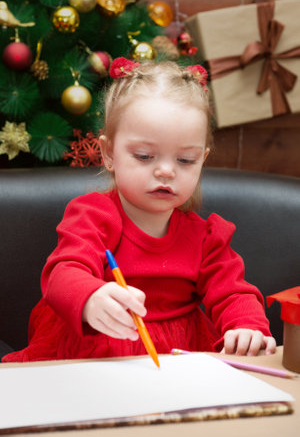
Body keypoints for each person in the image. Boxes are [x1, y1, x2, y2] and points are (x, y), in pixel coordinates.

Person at [2, 58, 276, 362]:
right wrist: (91, 297)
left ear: (202, 159)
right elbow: (63, 273)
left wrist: (247, 326)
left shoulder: (206, 236)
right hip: (98, 349)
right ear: (108, 153)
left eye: (185, 160)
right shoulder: (92, 215)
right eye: (145, 156)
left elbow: (234, 293)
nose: (166, 171)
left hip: (178, 355)